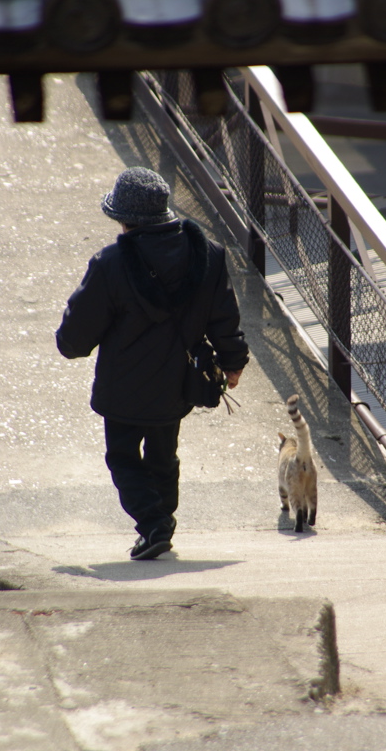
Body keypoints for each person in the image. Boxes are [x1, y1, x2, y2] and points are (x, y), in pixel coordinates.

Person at [56, 167, 249, 560]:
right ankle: (162, 520)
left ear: (124, 219)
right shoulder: (208, 255)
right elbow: (224, 318)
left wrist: (69, 344)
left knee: (123, 457)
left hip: (123, 385)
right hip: (178, 383)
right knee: (164, 454)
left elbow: (76, 335)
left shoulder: (110, 263)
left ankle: (154, 523)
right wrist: (234, 361)